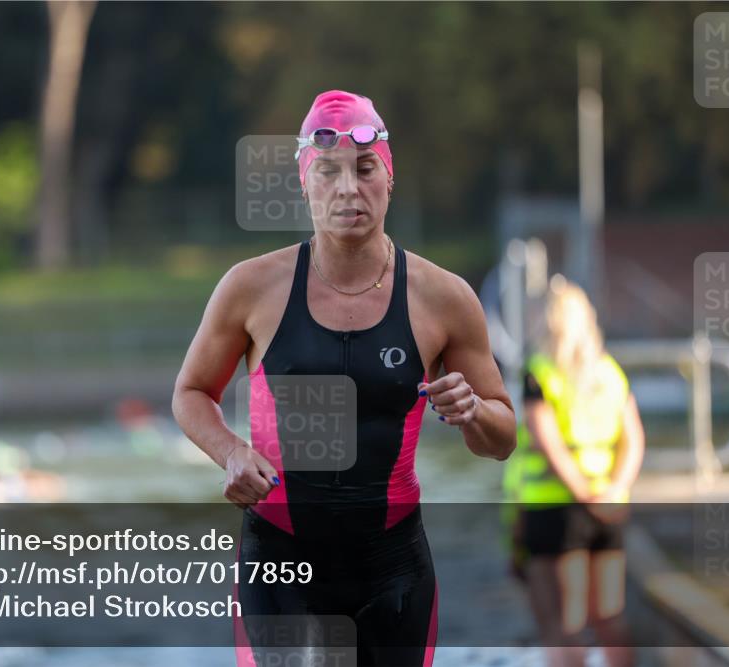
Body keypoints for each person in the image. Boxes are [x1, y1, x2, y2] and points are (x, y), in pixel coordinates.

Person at [172, 90, 516, 667]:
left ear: (390, 178)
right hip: (280, 564)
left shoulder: (443, 297)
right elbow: (191, 392)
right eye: (328, 171)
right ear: (305, 184)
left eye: (365, 169)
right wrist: (230, 452)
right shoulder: (251, 287)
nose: (348, 189)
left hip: (393, 566)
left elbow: (502, 441)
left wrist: (475, 411)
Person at [503, 276, 645, 667]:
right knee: (609, 616)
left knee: (561, 623)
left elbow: (547, 443)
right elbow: (633, 439)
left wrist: (582, 494)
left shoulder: (539, 371)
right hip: (608, 509)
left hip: (554, 510)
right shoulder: (609, 371)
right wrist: (613, 491)